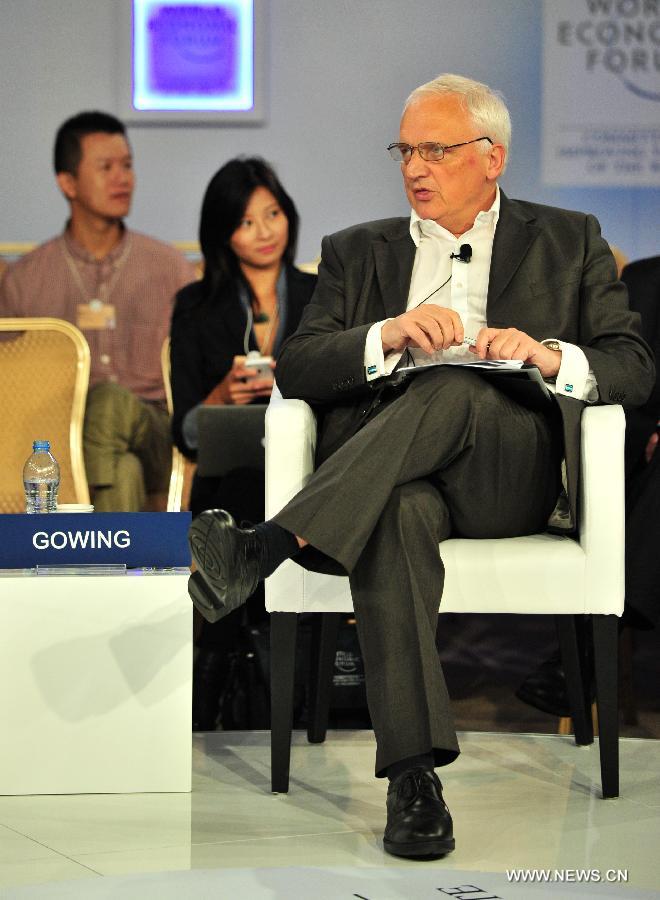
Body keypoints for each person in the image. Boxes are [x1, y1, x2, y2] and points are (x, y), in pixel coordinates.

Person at [186, 74, 654, 859]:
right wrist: (389, 336)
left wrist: (547, 356)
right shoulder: (356, 249)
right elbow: (299, 366)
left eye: (436, 150)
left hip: (509, 471)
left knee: (457, 388)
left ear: (491, 158)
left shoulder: (568, 238)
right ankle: (413, 782)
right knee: (396, 516)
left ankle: (271, 543)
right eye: (405, 150)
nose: (414, 167)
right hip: (393, 476)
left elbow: (633, 366)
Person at [170, 157, 316, 729]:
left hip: (309, 478)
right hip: (225, 485)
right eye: (246, 221)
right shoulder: (195, 307)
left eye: (273, 214)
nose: (264, 231)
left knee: (244, 505)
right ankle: (263, 686)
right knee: (239, 486)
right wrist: (222, 396)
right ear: (222, 234)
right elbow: (184, 432)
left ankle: (213, 665)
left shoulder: (321, 294)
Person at [0, 111, 196, 511]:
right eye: (106, 167)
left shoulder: (169, 268)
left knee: (108, 402)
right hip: (60, 439)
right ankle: (116, 549)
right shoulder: (26, 279)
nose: (123, 178)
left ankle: (89, 539)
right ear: (68, 183)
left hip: (155, 434)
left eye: (127, 165)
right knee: (122, 470)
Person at [517, 255, 660, 716]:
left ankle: (586, 648)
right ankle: (590, 643)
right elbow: (627, 383)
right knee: (609, 441)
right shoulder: (645, 279)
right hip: (637, 449)